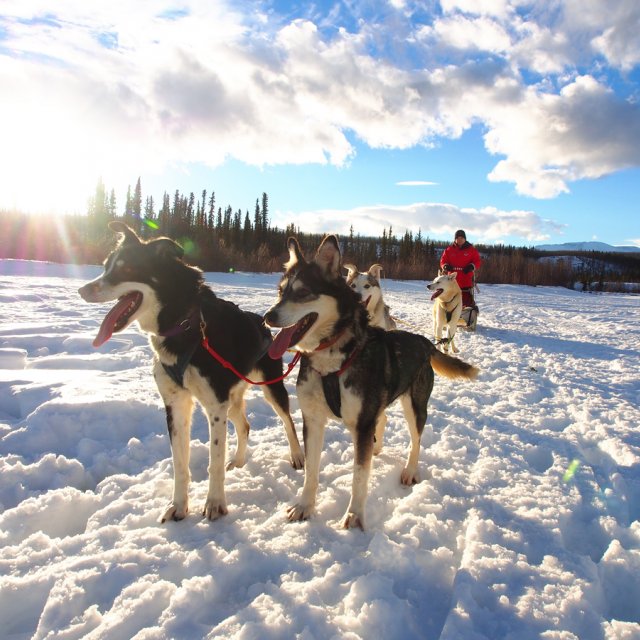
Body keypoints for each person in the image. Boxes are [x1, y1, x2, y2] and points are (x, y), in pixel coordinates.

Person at [440, 229, 481, 317]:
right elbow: (443, 260)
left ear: (465, 239)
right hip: (452, 282)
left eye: (462, 238)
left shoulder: (471, 250)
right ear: (455, 239)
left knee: (466, 301)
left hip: (466, 281)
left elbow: (477, 261)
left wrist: (471, 266)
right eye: (458, 238)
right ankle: (447, 315)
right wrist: (445, 266)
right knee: (449, 299)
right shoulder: (449, 250)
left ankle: (468, 316)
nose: (460, 240)